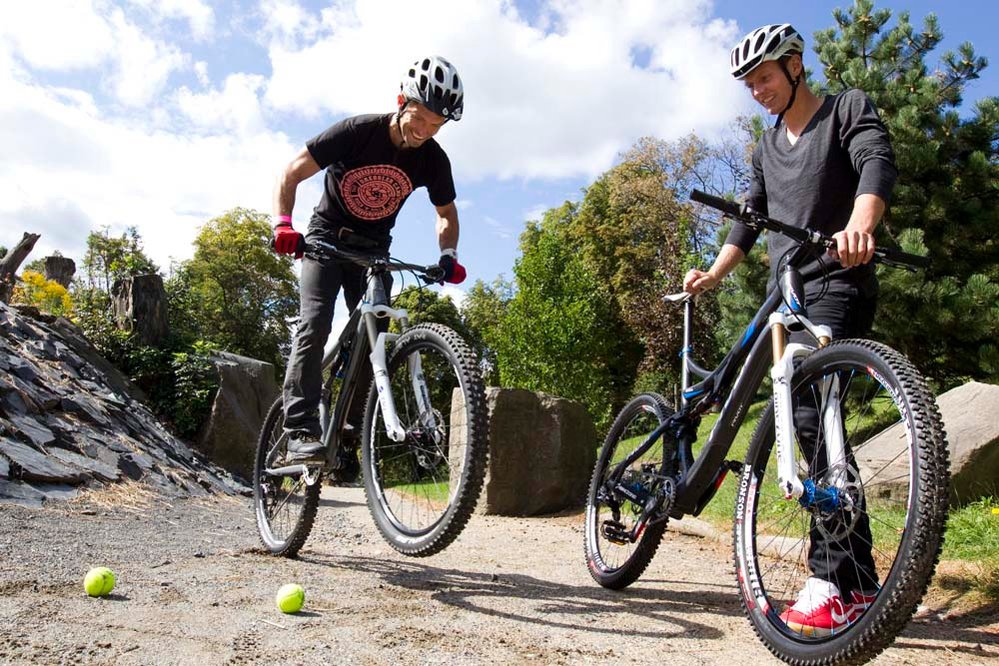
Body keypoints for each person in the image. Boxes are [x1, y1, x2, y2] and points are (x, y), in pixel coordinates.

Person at [684, 24, 897, 635]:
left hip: (836, 280)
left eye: (766, 77)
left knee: (809, 414)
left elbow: (874, 162)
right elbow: (749, 218)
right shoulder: (765, 144)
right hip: (785, 290)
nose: (758, 90)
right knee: (773, 405)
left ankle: (833, 580)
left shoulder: (844, 110)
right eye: (749, 84)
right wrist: (717, 274)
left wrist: (861, 224)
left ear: (796, 66)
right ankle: (854, 583)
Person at [271, 55, 467, 480]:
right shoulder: (356, 132)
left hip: (375, 252)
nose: (425, 131)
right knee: (315, 323)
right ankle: (299, 429)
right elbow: (291, 172)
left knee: (375, 339)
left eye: (436, 125)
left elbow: (446, 214)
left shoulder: (433, 159)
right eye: (422, 118)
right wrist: (284, 224)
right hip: (325, 242)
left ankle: (344, 436)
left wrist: (448, 256)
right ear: (402, 100)